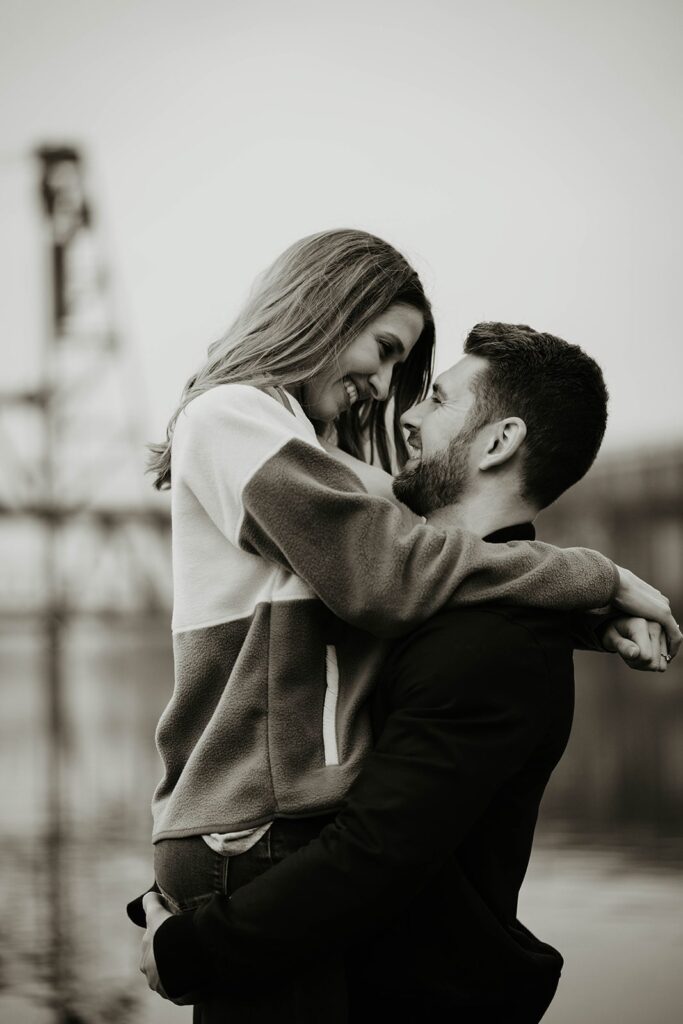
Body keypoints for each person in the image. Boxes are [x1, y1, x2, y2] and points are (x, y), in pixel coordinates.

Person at [129, 230, 678, 1019]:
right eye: (384, 350)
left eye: (413, 377)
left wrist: (584, 618)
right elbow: (388, 576)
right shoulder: (231, 418)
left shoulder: (312, 453)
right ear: (321, 309)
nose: (388, 391)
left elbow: (425, 565)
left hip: (266, 822)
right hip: (254, 827)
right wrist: (596, 576)